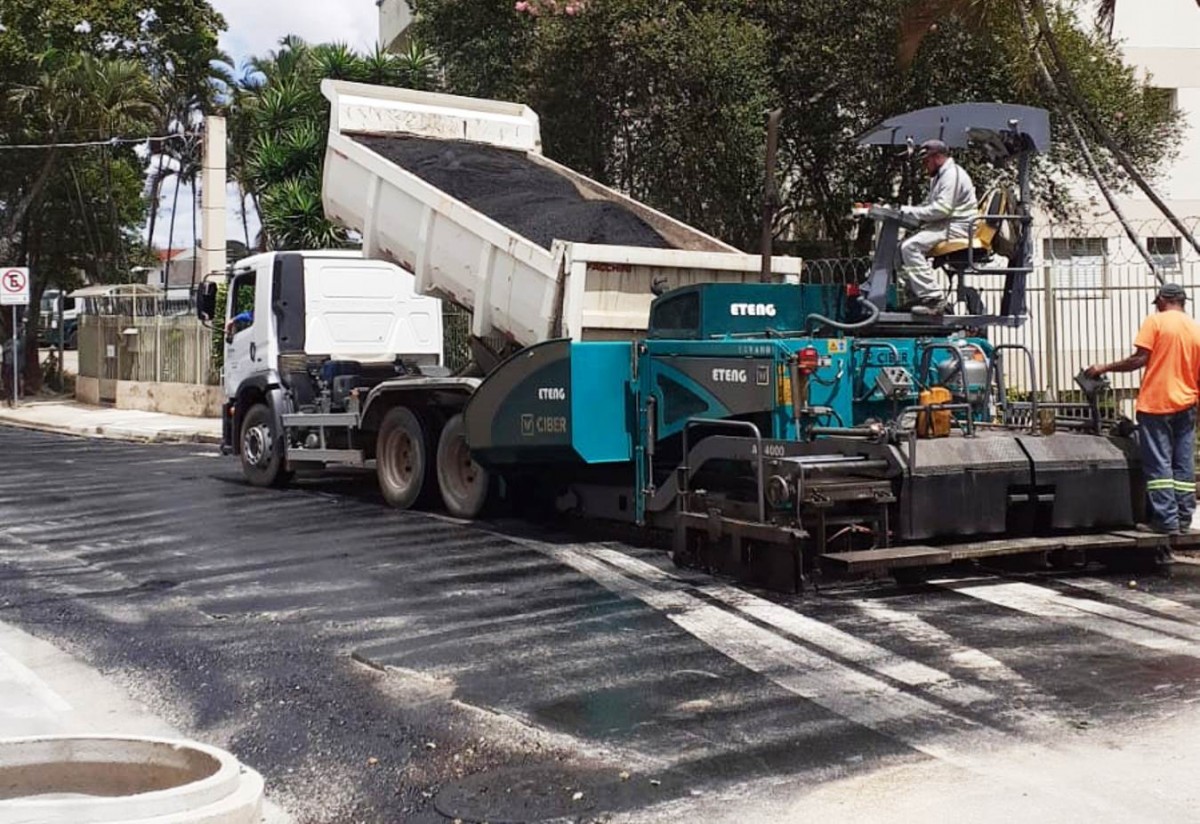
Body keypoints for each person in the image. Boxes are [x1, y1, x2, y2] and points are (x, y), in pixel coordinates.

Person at [1086, 282, 1200, 535]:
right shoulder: (1195, 328)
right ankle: (1183, 519)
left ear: (1162, 299)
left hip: (1157, 403)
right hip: (1187, 404)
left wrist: (1103, 368)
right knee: (1183, 463)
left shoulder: (1156, 321)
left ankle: (1165, 521)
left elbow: (1139, 359)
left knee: (1158, 464)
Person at [899, 139, 978, 316]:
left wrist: (910, 212)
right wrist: (909, 211)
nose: (924, 166)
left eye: (926, 161)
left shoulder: (952, 175)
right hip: (947, 224)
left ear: (937, 157)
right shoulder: (941, 176)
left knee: (910, 246)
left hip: (959, 227)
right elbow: (930, 205)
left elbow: (942, 209)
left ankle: (933, 299)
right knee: (901, 247)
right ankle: (917, 294)